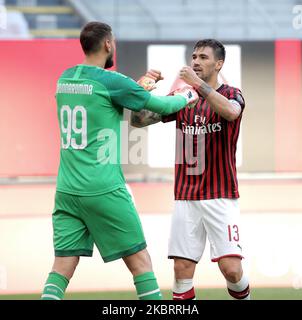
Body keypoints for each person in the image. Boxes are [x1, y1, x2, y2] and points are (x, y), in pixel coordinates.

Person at [40, 21, 198, 300]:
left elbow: (102, 100)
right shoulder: (111, 81)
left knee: (62, 266)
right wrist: (186, 96)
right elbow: (161, 106)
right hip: (104, 188)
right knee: (141, 263)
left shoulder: (65, 78)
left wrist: (139, 86)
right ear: (108, 44)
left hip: (66, 190)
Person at [131, 39, 250, 300]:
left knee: (231, 269)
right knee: (182, 268)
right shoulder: (183, 99)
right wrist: (143, 91)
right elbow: (138, 121)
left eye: (203, 57)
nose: (195, 61)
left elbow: (231, 113)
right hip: (186, 196)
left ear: (219, 64)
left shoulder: (232, 94)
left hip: (220, 196)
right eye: (194, 56)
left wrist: (198, 85)